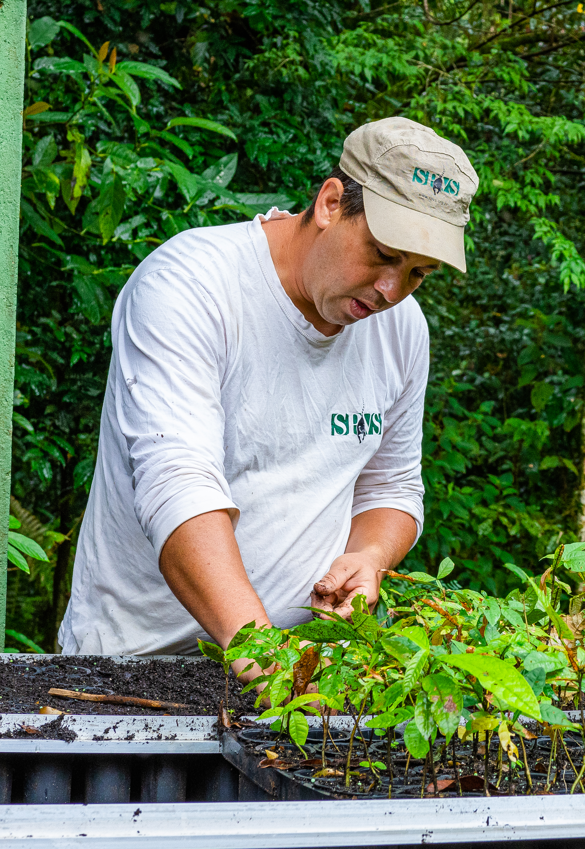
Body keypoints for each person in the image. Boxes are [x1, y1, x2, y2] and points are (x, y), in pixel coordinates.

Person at [59, 117, 477, 655]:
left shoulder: (401, 329)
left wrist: (369, 555)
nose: (391, 290)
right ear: (330, 203)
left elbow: (390, 486)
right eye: (384, 254)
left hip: (304, 669)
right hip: (135, 666)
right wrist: (267, 664)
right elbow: (177, 485)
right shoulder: (192, 285)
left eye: (419, 272)